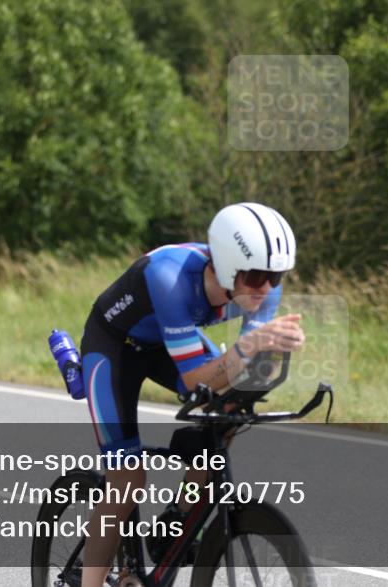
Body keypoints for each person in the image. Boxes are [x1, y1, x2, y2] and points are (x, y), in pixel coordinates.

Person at [78, 202, 305, 585]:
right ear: (228, 267)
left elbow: (246, 373)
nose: (266, 288)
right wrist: (250, 348)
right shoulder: (171, 277)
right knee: (127, 480)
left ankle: (180, 516)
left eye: (277, 276)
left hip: (166, 344)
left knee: (233, 405)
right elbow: (192, 380)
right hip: (114, 347)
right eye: (255, 277)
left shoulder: (264, 291)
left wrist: (272, 353)